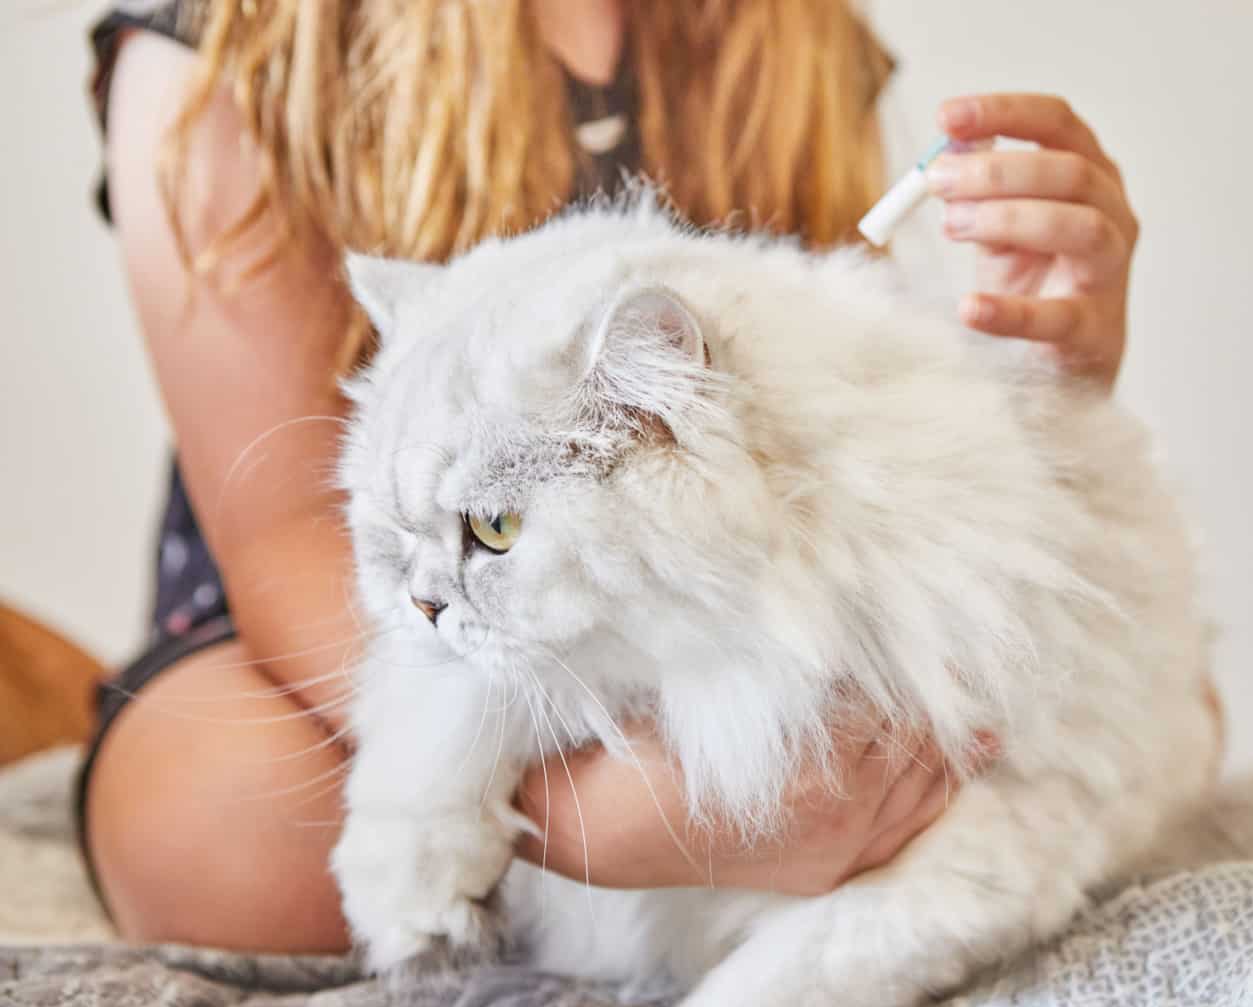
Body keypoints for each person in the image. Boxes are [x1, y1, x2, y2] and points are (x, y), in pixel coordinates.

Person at [78, 0, 1144, 952]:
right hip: (335, 619)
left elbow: (808, 433)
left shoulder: (800, 35)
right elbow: (277, 533)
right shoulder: (224, 43)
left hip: (677, 592)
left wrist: (1038, 371)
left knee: (1131, 692)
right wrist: (588, 818)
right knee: (230, 834)